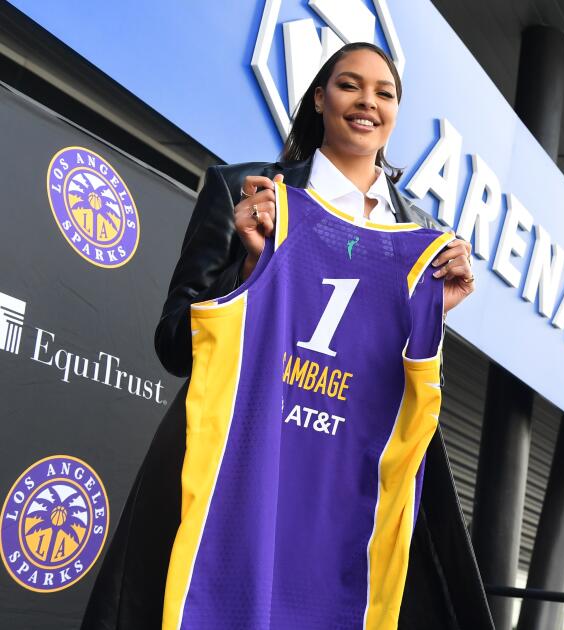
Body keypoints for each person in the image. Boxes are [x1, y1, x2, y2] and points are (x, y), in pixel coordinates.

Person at [82, 42, 494, 629]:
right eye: (350, 85)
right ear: (320, 98)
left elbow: (400, 383)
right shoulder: (242, 190)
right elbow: (174, 344)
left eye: (385, 92)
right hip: (237, 456)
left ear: (397, 112)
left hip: (345, 481)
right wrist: (249, 276)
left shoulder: (421, 234)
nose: (367, 102)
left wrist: (435, 314)